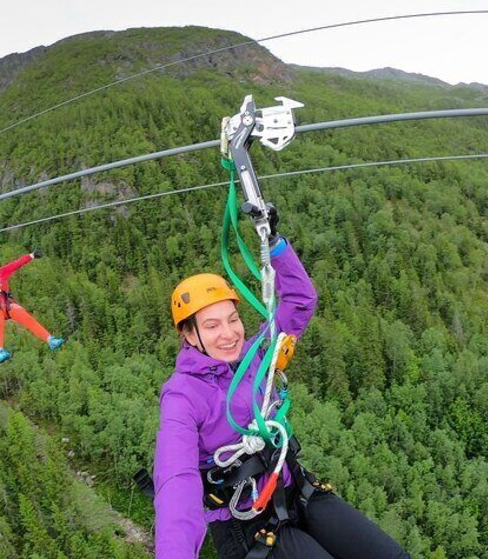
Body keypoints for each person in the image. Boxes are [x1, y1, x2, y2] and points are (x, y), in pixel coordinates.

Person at [153, 208, 408, 558]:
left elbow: (301, 301)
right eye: (211, 326)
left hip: (293, 489)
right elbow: (175, 482)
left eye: (233, 319)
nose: (228, 334)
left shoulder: (256, 355)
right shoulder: (182, 396)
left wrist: (274, 244)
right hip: (244, 521)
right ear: (188, 334)